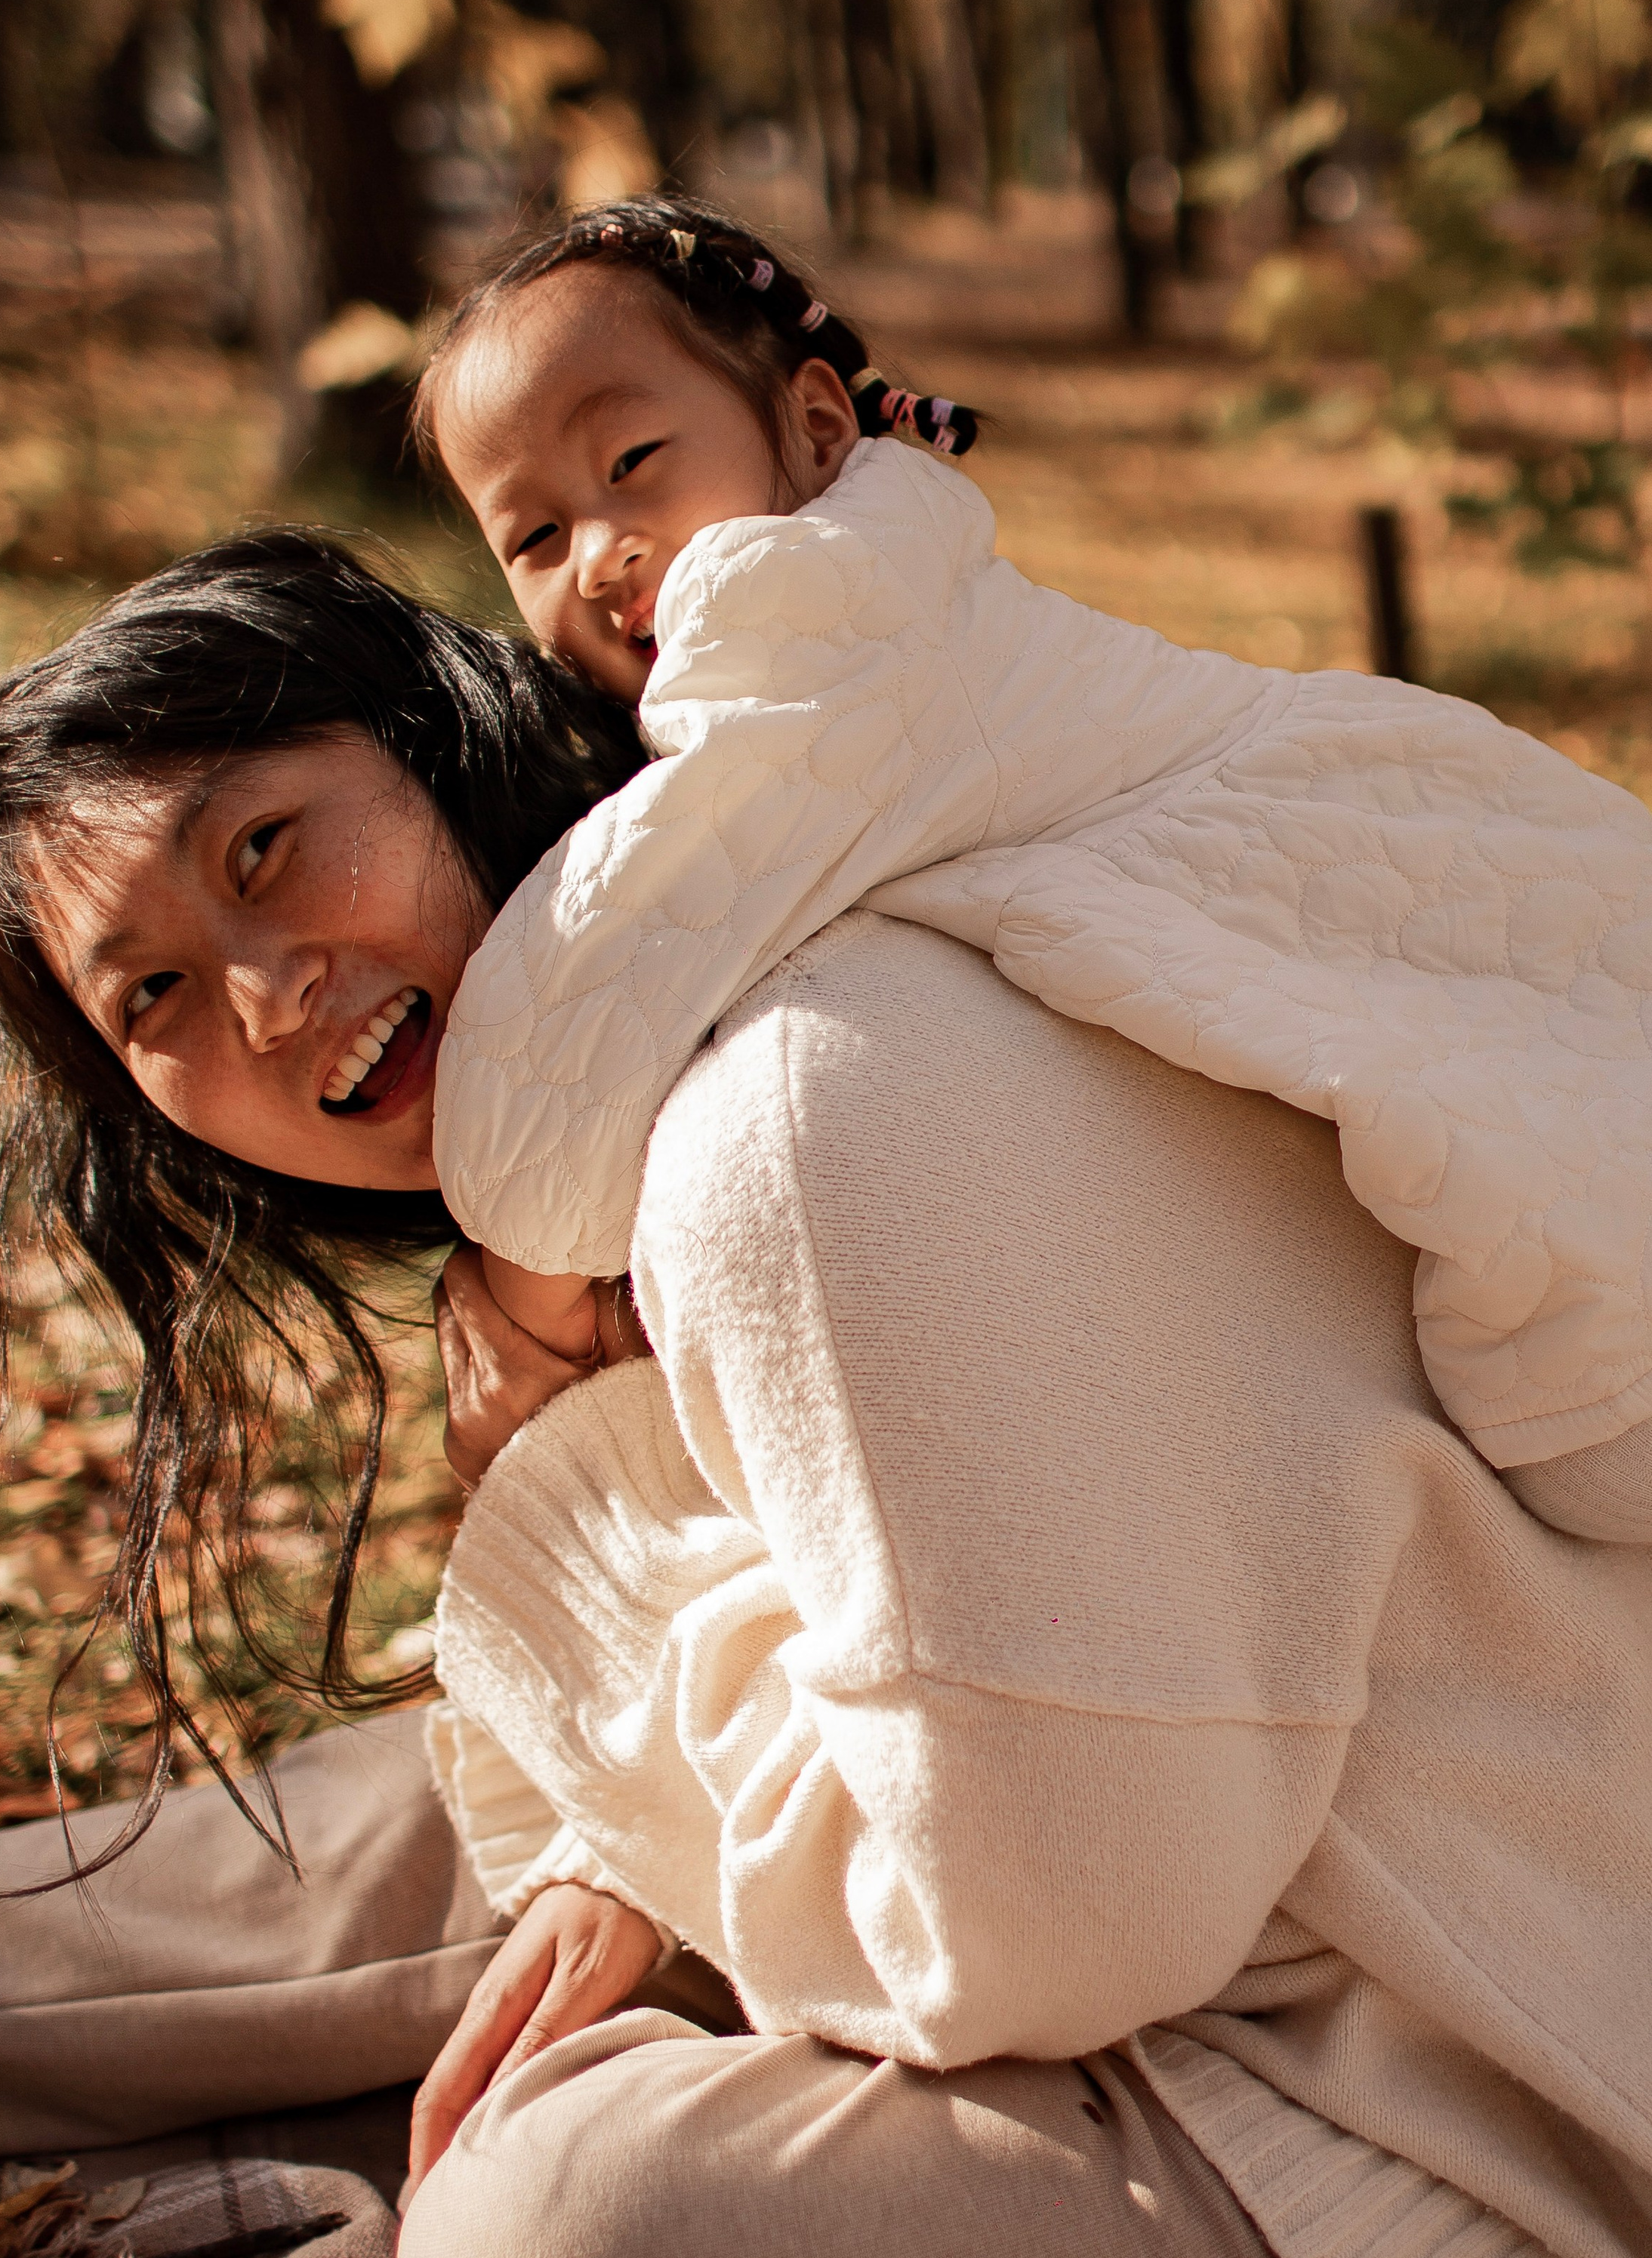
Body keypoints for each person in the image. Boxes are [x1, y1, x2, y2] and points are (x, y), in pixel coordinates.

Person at [0, 529, 1649, 2258]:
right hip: (1259, 1840)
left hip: (1484, 2105)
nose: (270, 1004)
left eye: (269, 849)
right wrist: (610, 1809)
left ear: (439, 747)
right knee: (509, 1811)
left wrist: (589, 1558)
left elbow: (1052, 1941)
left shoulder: (783, 1120)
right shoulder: (682, 1081)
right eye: (157, 1001)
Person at [416, 194, 1652, 1545]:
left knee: (1586, 1342)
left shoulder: (810, 621)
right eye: (532, 538)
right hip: (1377, 805)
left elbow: (610, 971)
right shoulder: (893, 590)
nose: (599, 554)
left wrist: (514, 1280)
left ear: (820, 429)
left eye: (635, 461)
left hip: (1353, 854)